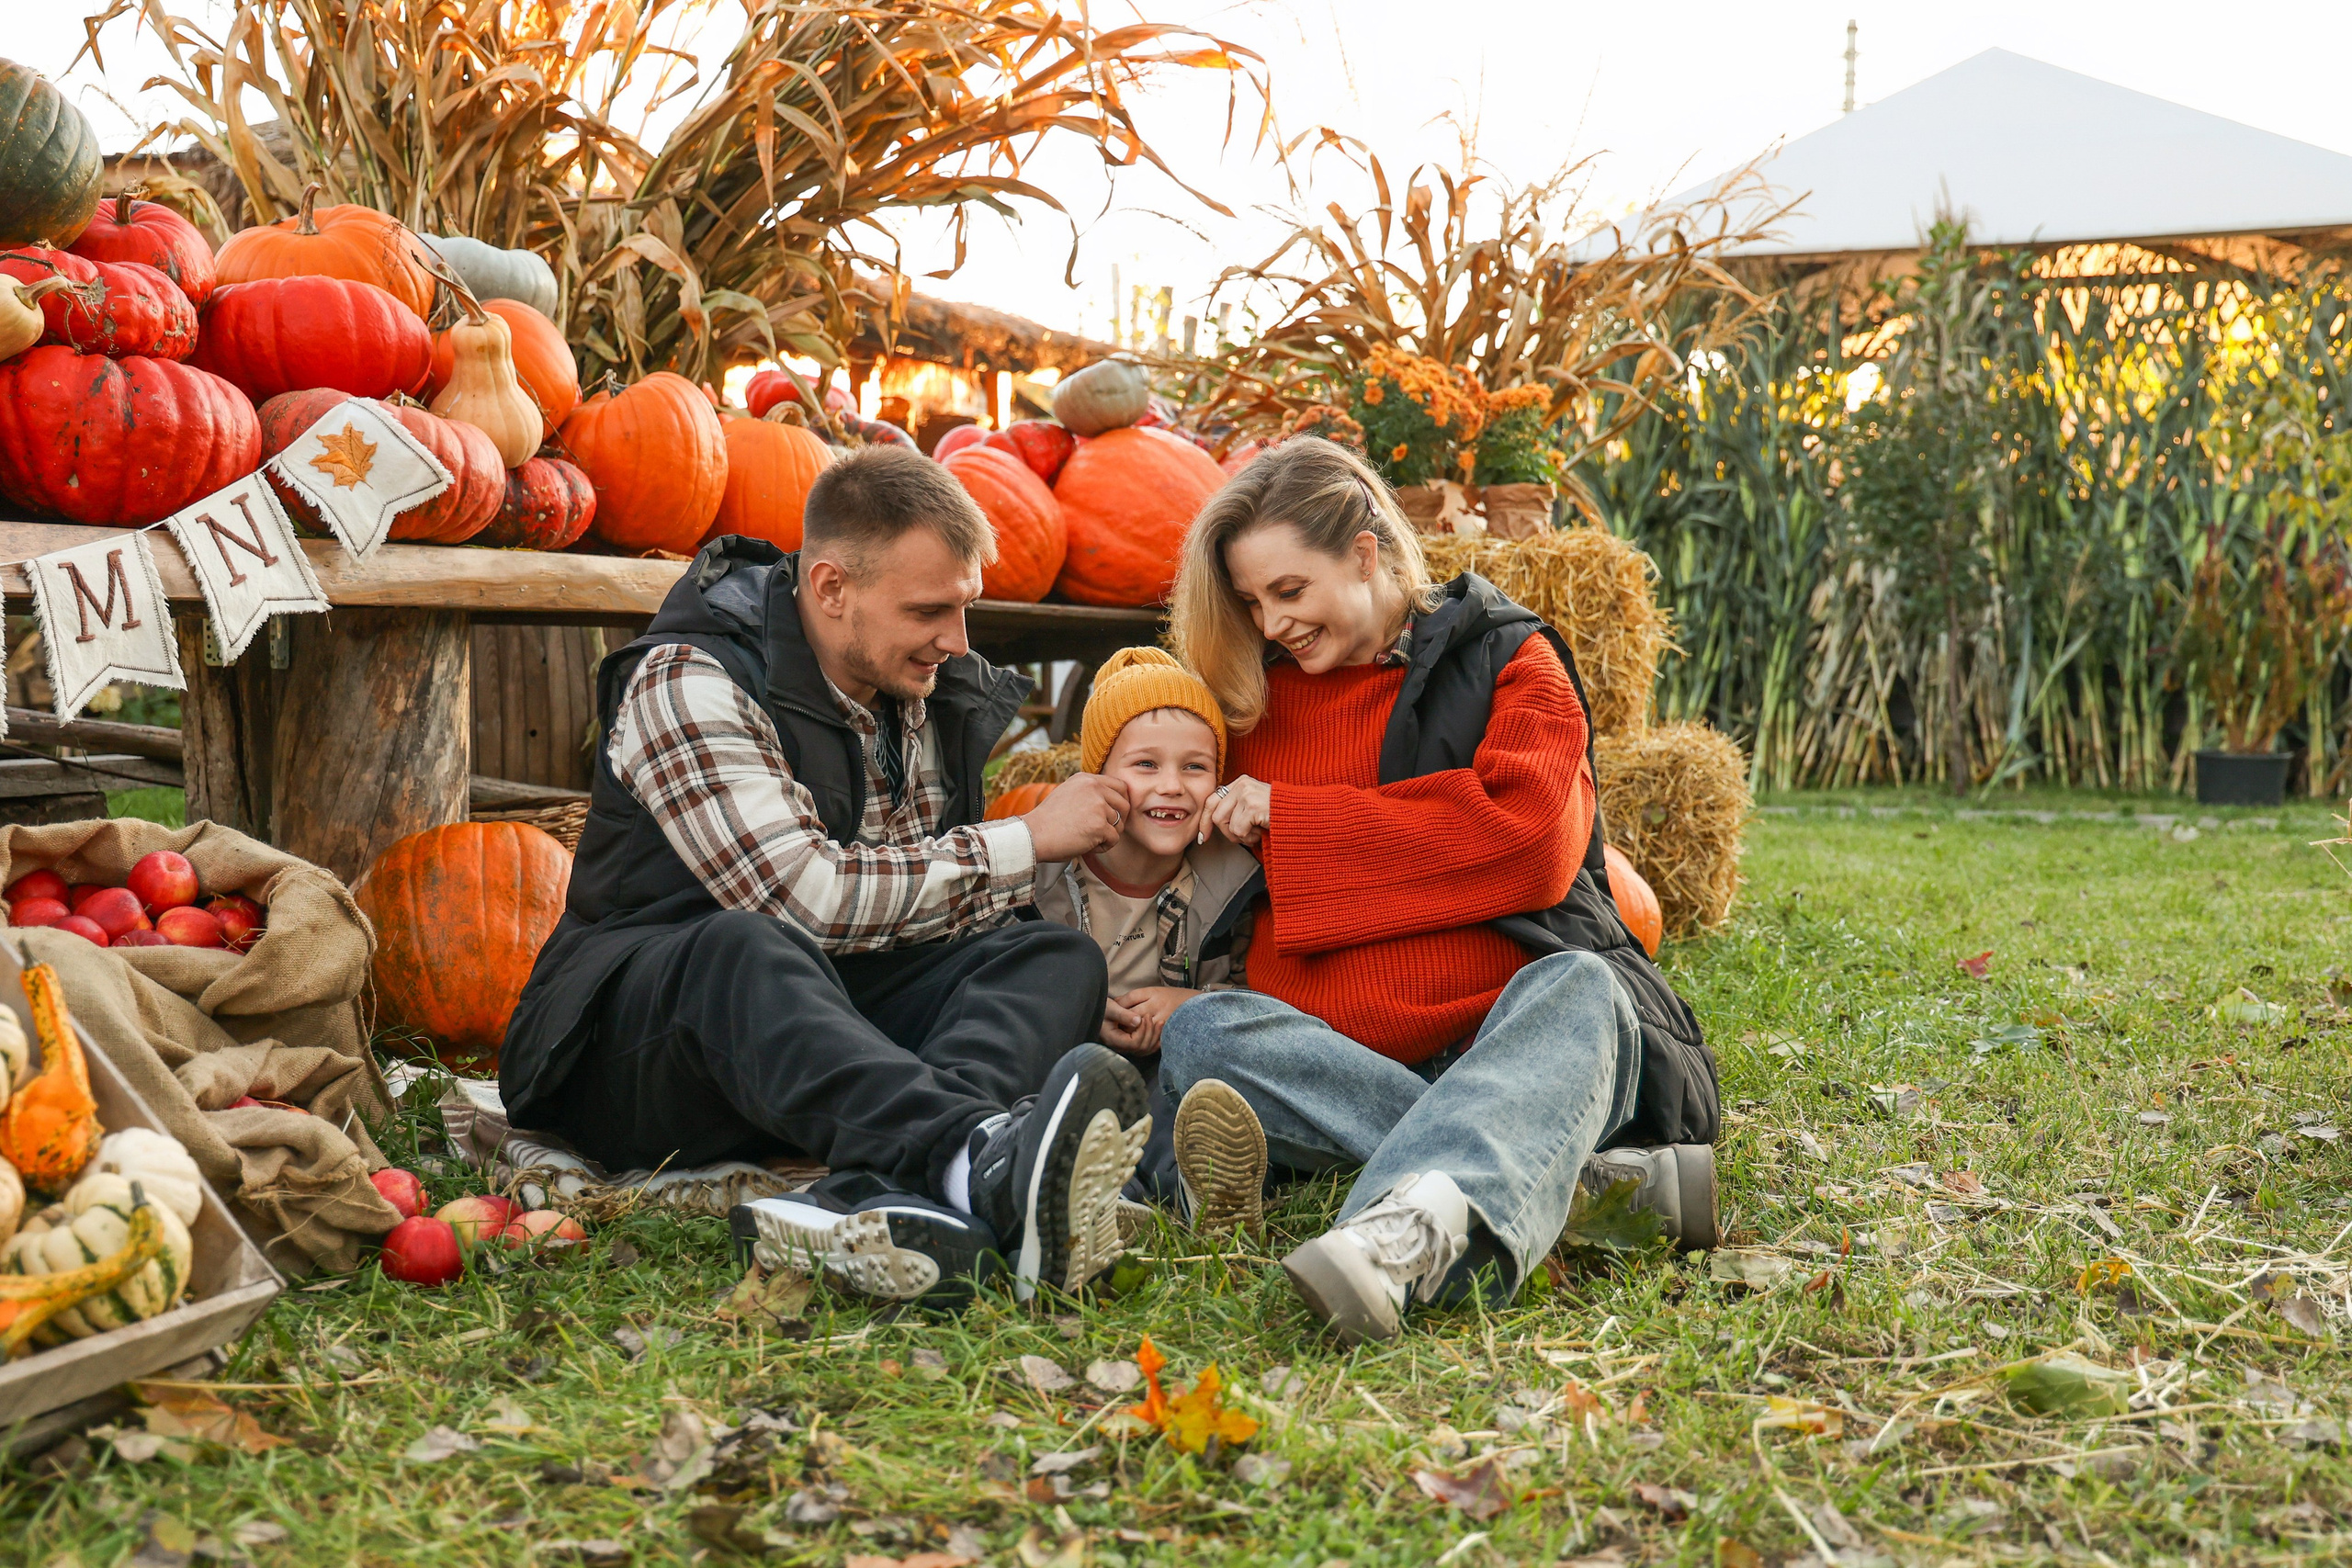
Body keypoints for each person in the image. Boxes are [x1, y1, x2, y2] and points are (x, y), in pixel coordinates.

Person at [498, 446, 1153, 1308]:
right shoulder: (689, 678)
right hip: (643, 1054)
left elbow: (916, 907)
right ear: (832, 587)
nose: (957, 642)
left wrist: (1013, 938)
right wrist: (1024, 840)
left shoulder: (917, 689)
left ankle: (880, 1203)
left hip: (815, 1049)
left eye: (964, 607)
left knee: (1050, 958)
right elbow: (804, 901)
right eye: (930, 610)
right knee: (747, 943)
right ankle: (978, 1157)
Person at [1156, 435, 1721, 1345]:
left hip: (1503, 1046)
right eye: (1252, 602)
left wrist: (1299, 823)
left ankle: (1397, 1238)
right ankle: (1567, 1189)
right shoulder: (1249, 706)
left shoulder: (1511, 660)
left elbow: (1529, 841)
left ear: (1364, 550)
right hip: (1332, 1063)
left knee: (1583, 990)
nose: (1269, 625)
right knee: (1201, 1031)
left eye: (1289, 591)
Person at [1025, 647, 1262, 1209]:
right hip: (1063, 1053)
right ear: (1098, 779)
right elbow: (1000, 969)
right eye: (1145, 765)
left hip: (1165, 1062)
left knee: (1175, 1097)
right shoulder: (1043, 875)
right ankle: (1067, 1179)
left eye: (1195, 767)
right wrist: (1080, 1006)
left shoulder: (1234, 878)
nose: (1173, 786)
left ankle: (1180, 1190)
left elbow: (1259, 990)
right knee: (1051, 1085)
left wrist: (1189, 1002)